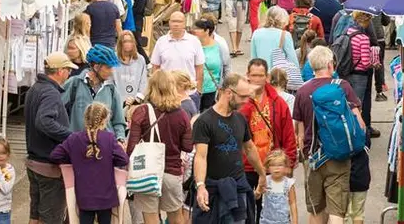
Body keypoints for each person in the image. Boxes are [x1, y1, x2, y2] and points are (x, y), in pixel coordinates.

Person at [293, 46, 364, 224]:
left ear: (312, 66)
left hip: (313, 157)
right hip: (338, 156)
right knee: (336, 212)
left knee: (316, 210)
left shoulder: (302, 91)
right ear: (330, 65)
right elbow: (360, 124)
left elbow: (300, 134)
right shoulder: (343, 87)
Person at [192, 74, 266, 223]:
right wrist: (200, 186)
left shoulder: (240, 119)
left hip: (237, 188)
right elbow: (200, 157)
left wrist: (262, 174)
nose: (246, 101)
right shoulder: (204, 121)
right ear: (228, 93)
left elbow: (250, 148)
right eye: (243, 97)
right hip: (212, 190)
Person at [127, 70, 193, 224]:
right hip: (172, 172)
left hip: (147, 174)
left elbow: (131, 149)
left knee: (151, 219)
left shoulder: (141, 112)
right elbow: (188, 146)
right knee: (176, 217)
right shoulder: (181, 114)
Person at [51, 103, 129, 224]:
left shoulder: (74, 138)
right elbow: (123, 160)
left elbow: (55, 155)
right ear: (104, 120)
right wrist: (109, 160)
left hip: (84, 195)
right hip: (106, 195)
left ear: (85, 119)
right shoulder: (109, 138)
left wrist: (74, 159)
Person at [240, 59, 297, 222]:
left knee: (270, 213)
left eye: (260, 75)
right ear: (248, 76)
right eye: (253, 75)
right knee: (246, 213)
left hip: (271, 167)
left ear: (267, 77)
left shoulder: (278, 103)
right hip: (246, 166)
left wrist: (289, 163)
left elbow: (288, 135)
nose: (257, 79)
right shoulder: (241, 102)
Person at [24, 52, 76, 224]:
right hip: (48, 166)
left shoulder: (35, 88)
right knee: (50, 218)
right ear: (60, 71)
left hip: (34, 162)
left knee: (35, 216)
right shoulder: (51, 93)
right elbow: (43, 121)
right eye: (68, 69)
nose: (69, 73)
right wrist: (70, 135)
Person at [63, 44, 127, 144]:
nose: (111, 72)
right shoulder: (74, 83)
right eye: (108, 68)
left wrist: (120, 138)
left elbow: (118, 121)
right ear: (96, 67)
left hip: (104, 147)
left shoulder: (111, 89)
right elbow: (58, 113)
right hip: (77, 146)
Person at [151, 11, 204, 97]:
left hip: (188, 93)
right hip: (166, 93)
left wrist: (198, 90)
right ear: (169, 23)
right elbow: (155, 67)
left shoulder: (194, 41)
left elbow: (199, 68)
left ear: (184, 23)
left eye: (179, 22)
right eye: (173, 21)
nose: (176, 24)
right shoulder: (161, 42)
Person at [193, 17, 226, 111]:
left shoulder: (219, 47)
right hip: (193, 89)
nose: (195, 31)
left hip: (211, 90)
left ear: (207, 31)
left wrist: (223, 88)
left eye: (198, 29)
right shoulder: (192, 46)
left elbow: (226, 67)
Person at [250, 6, 298, 70]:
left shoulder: (256, 33)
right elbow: (292, 59)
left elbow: (253, 57)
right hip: (278, 74)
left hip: (262, 72)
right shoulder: (285, 35)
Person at [257, 149, 298, 224]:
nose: (276, 168)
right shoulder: (265, 180)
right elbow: (257, 196)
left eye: (280, 165)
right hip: (266, 221)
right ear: (268, 167)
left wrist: (295, 221)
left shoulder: (289, 183)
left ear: (285, 167)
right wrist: (259, 190)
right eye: (273, 165)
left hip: (283, 221)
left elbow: (293, 203)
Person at [113, 30, 148, 109]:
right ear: (120, 43)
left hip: (135, 102)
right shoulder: (113, 59)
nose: (128, 44)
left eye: (130, 41)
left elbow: (143, 82)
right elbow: (110, 82)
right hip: (117, 103)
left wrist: (136, 99)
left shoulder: (140, 59)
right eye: (125, 41)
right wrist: (121, 101)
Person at [126, 0, 151, 64]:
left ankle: (147, 62)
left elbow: (139, 8)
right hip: (136, 19)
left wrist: (131, 11)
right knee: (135, 41)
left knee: (137, 42)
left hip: (137, 20)